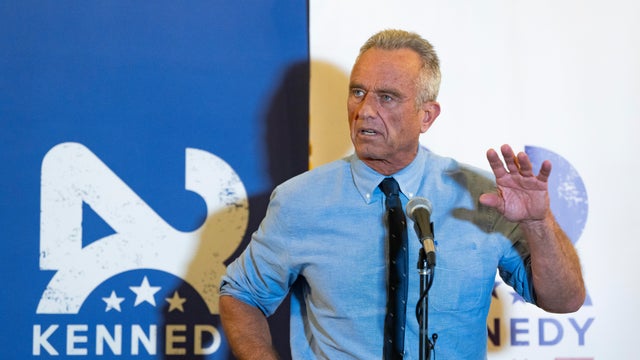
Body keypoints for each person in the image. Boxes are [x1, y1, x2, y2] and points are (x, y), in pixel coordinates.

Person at [219, 29, 585, 360]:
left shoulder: (483, 199)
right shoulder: (299, 201)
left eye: (387, 97)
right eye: (358, 92)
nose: (365, 111)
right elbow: (240, 294)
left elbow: (565, 300)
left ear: (426, 116)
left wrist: (539, 223)